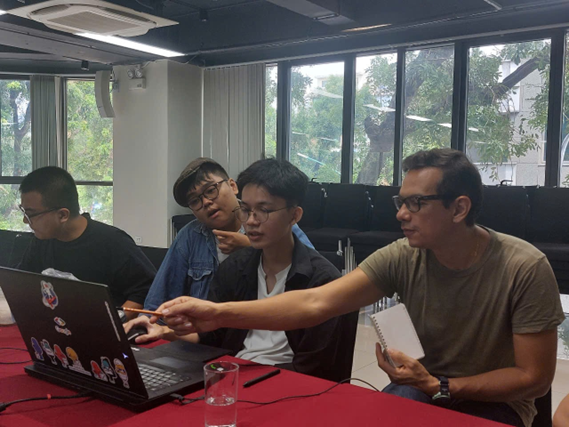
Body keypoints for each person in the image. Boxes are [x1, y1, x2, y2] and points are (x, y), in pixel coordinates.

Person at [153, 148, 564, 427]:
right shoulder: (403, 255)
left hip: (493, 404)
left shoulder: (523, 268)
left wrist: (440, 386)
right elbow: (316, 303)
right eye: (400, 202)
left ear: (459, 208)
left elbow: (534, 379)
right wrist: (216, 312)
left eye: (416, 203)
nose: (401, 214)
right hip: (420, 385)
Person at [127, 159, 347, 380]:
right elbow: (212, 338)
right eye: (246, 210)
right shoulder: (233, 268)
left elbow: (316, 369)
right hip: (230, 371)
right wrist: (165, 331)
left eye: (264, 210)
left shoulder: (321, 280)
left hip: (287, 381)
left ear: (294, 215)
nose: (251, 221)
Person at [140, 157, 313, 313]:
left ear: (232, 186)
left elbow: (314, 275)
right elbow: (157, 303)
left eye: (210, 190)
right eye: (194, 201)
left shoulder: (275, 222)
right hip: (204, 334)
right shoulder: (190, 236)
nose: (206, 202)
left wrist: (251, 246)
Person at [17, 166, 156, 319]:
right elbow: (21, 282)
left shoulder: (113, 242)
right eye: (24, 212)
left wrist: (114, 321)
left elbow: (146, 290)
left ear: (62, 215)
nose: (25, 221)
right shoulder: (41, 240)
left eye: (31, 214)